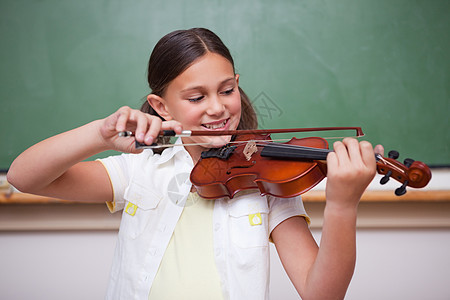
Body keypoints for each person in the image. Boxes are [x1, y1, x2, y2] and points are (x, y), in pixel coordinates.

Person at [7, 28, 383, 300]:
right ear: (161, 107)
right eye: (196, 96)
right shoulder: (139, 171)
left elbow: (322, 294)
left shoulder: (268, 182)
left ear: (237, 84)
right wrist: (99, 134)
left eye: (226, 90)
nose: (217, 108)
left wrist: (342, 204)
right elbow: (25, 177)